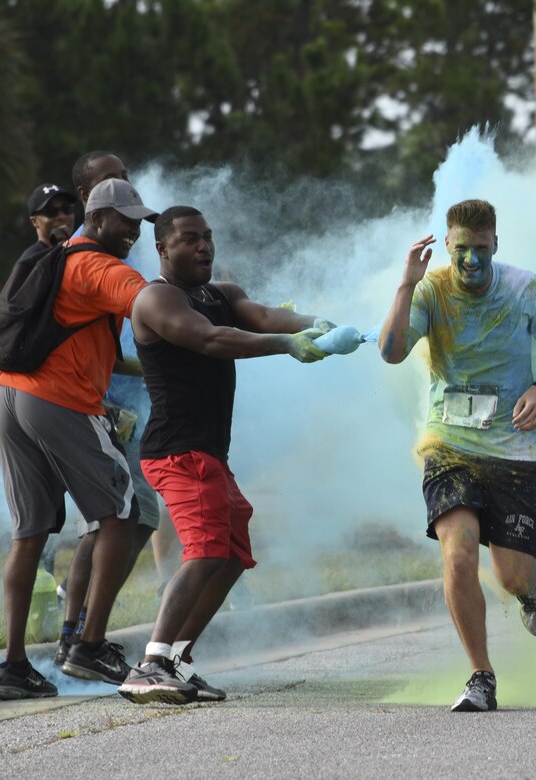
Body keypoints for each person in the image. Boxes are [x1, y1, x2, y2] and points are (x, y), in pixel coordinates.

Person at [117, 205, 335, 705]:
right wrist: (288, 345)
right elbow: (210, 339)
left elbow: (259, 314)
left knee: (232, 552)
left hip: (208, 451)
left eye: (208, 237)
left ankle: (173, 660)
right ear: (163, 248)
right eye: (190, 239)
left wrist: (315, 323)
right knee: (205, 550)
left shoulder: (221, 294)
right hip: (177, 450)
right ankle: (149, 665)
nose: (203, 247)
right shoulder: (155, 299)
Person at [378, 199, 536, 712]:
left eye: (480, 250)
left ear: (495, 244)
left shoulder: (523, 287)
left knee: (510, 575)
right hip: (449, 445)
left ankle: (529, 587)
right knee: (458, 554)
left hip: (513, 447)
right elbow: (391, 351)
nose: (470, 262)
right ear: (448, 246)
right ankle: (481, 676)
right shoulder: (431, 290)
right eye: (461, 250)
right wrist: (405, 285)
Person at [0, 178, 157, 700]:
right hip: (60, 400)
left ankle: (14, 667)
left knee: (31, 532)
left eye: (139, 222)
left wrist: (155, 370)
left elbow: (94, 349)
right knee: (122, 513)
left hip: (11, 396)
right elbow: (150, 303)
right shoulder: (96, 264)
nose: (134, 230)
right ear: (99, 218)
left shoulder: (55, 260)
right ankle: (89, 644)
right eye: (126, 220)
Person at [53, 150, 165, 669]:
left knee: (117, 521)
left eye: (127, 177)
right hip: (99, 411)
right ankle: (82, 641)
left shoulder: (97, 251)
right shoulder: (88, 257)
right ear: (88, 201)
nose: (125, 187)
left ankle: (77, 635)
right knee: (122, 519)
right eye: (112, 182)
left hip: (111, 411)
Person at [23, 183, 78, 575]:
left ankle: (54, 602)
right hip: (44, 396)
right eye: (51, 211)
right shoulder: (37, 263)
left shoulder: (64, 258)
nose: (61, 216)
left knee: (51, 510)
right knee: (41, 517)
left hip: (57, 396)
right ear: (34, 221)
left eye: (66, 209)